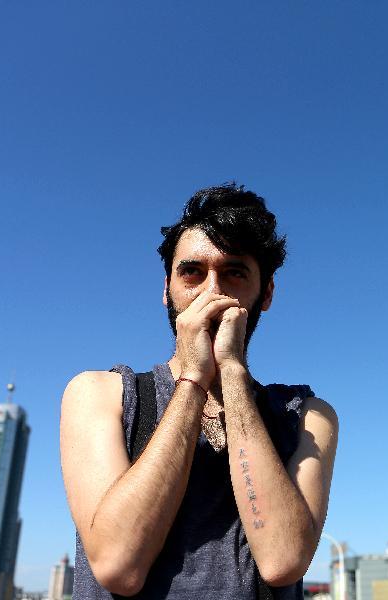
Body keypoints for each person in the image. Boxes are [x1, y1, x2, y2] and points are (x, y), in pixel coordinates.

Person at [60, 183, 339, 599]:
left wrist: (231, 374)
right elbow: (118, 563)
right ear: (166, 289)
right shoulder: (100, 395)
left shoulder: (307, 417)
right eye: (192, 272)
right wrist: (192, 380)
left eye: (234, 272)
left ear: (266, 294)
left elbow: (282, 560)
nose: (211, 292)